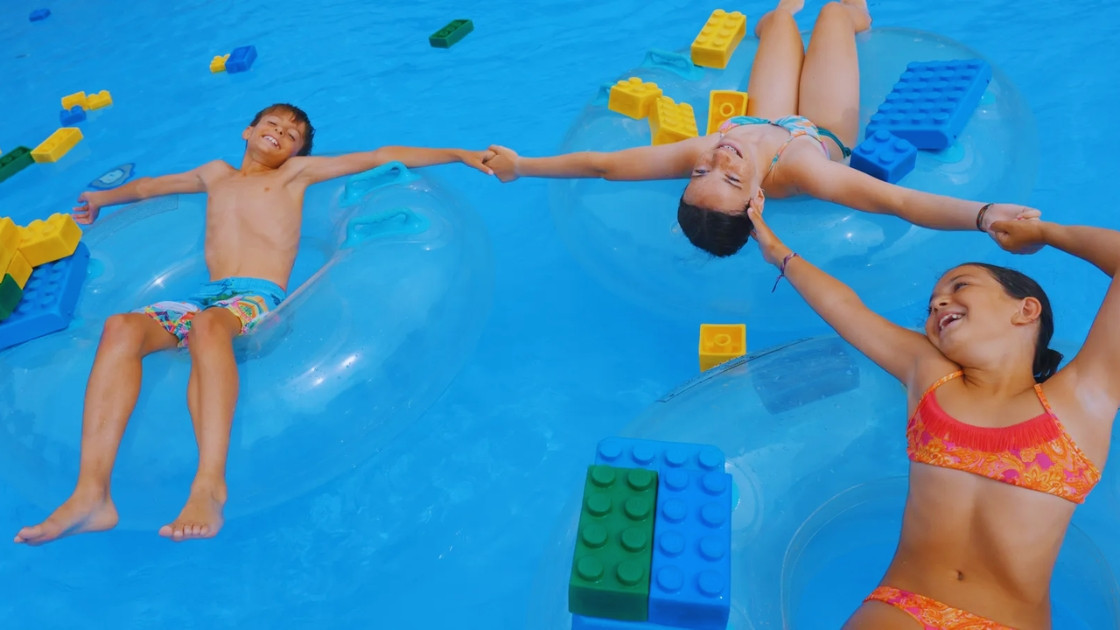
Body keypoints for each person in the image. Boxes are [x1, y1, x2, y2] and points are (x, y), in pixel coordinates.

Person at [13, 103, 492, 545]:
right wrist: (104, 197)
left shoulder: (294, 177)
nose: (280, 134)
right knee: (122, 327)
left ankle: (209, 485)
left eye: (292, 135)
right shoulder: (215, 175)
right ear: (248, 131)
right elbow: (151, 187)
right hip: (205, 298)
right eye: (273, 125)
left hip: (255, 300)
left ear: (298, 152)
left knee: (208, 328)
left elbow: (379, 154)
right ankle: (92, 492)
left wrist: (459, 153)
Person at [748, 200, 1118, 628]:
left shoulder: (1084, 395)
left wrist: (1047, 233)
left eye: (960, 287)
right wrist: (775, 248)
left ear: (1026, 309)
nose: (939, 304)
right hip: (900, 607)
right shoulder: (931, 375)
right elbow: (847, 310)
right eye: (931, 305)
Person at [482, 0, 1040, 257]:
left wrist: (521, 166)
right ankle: (853, 15)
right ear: (754, 203)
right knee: (830, 15)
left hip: (764, 116)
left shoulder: (713, 147)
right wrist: (985, 215)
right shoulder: (803, 174)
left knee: (778, 20)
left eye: (700, 170)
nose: (718, 159)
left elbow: (602, 166)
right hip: (816, 132)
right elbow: (896, 202)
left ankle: (778, 22)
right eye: (726, 179)